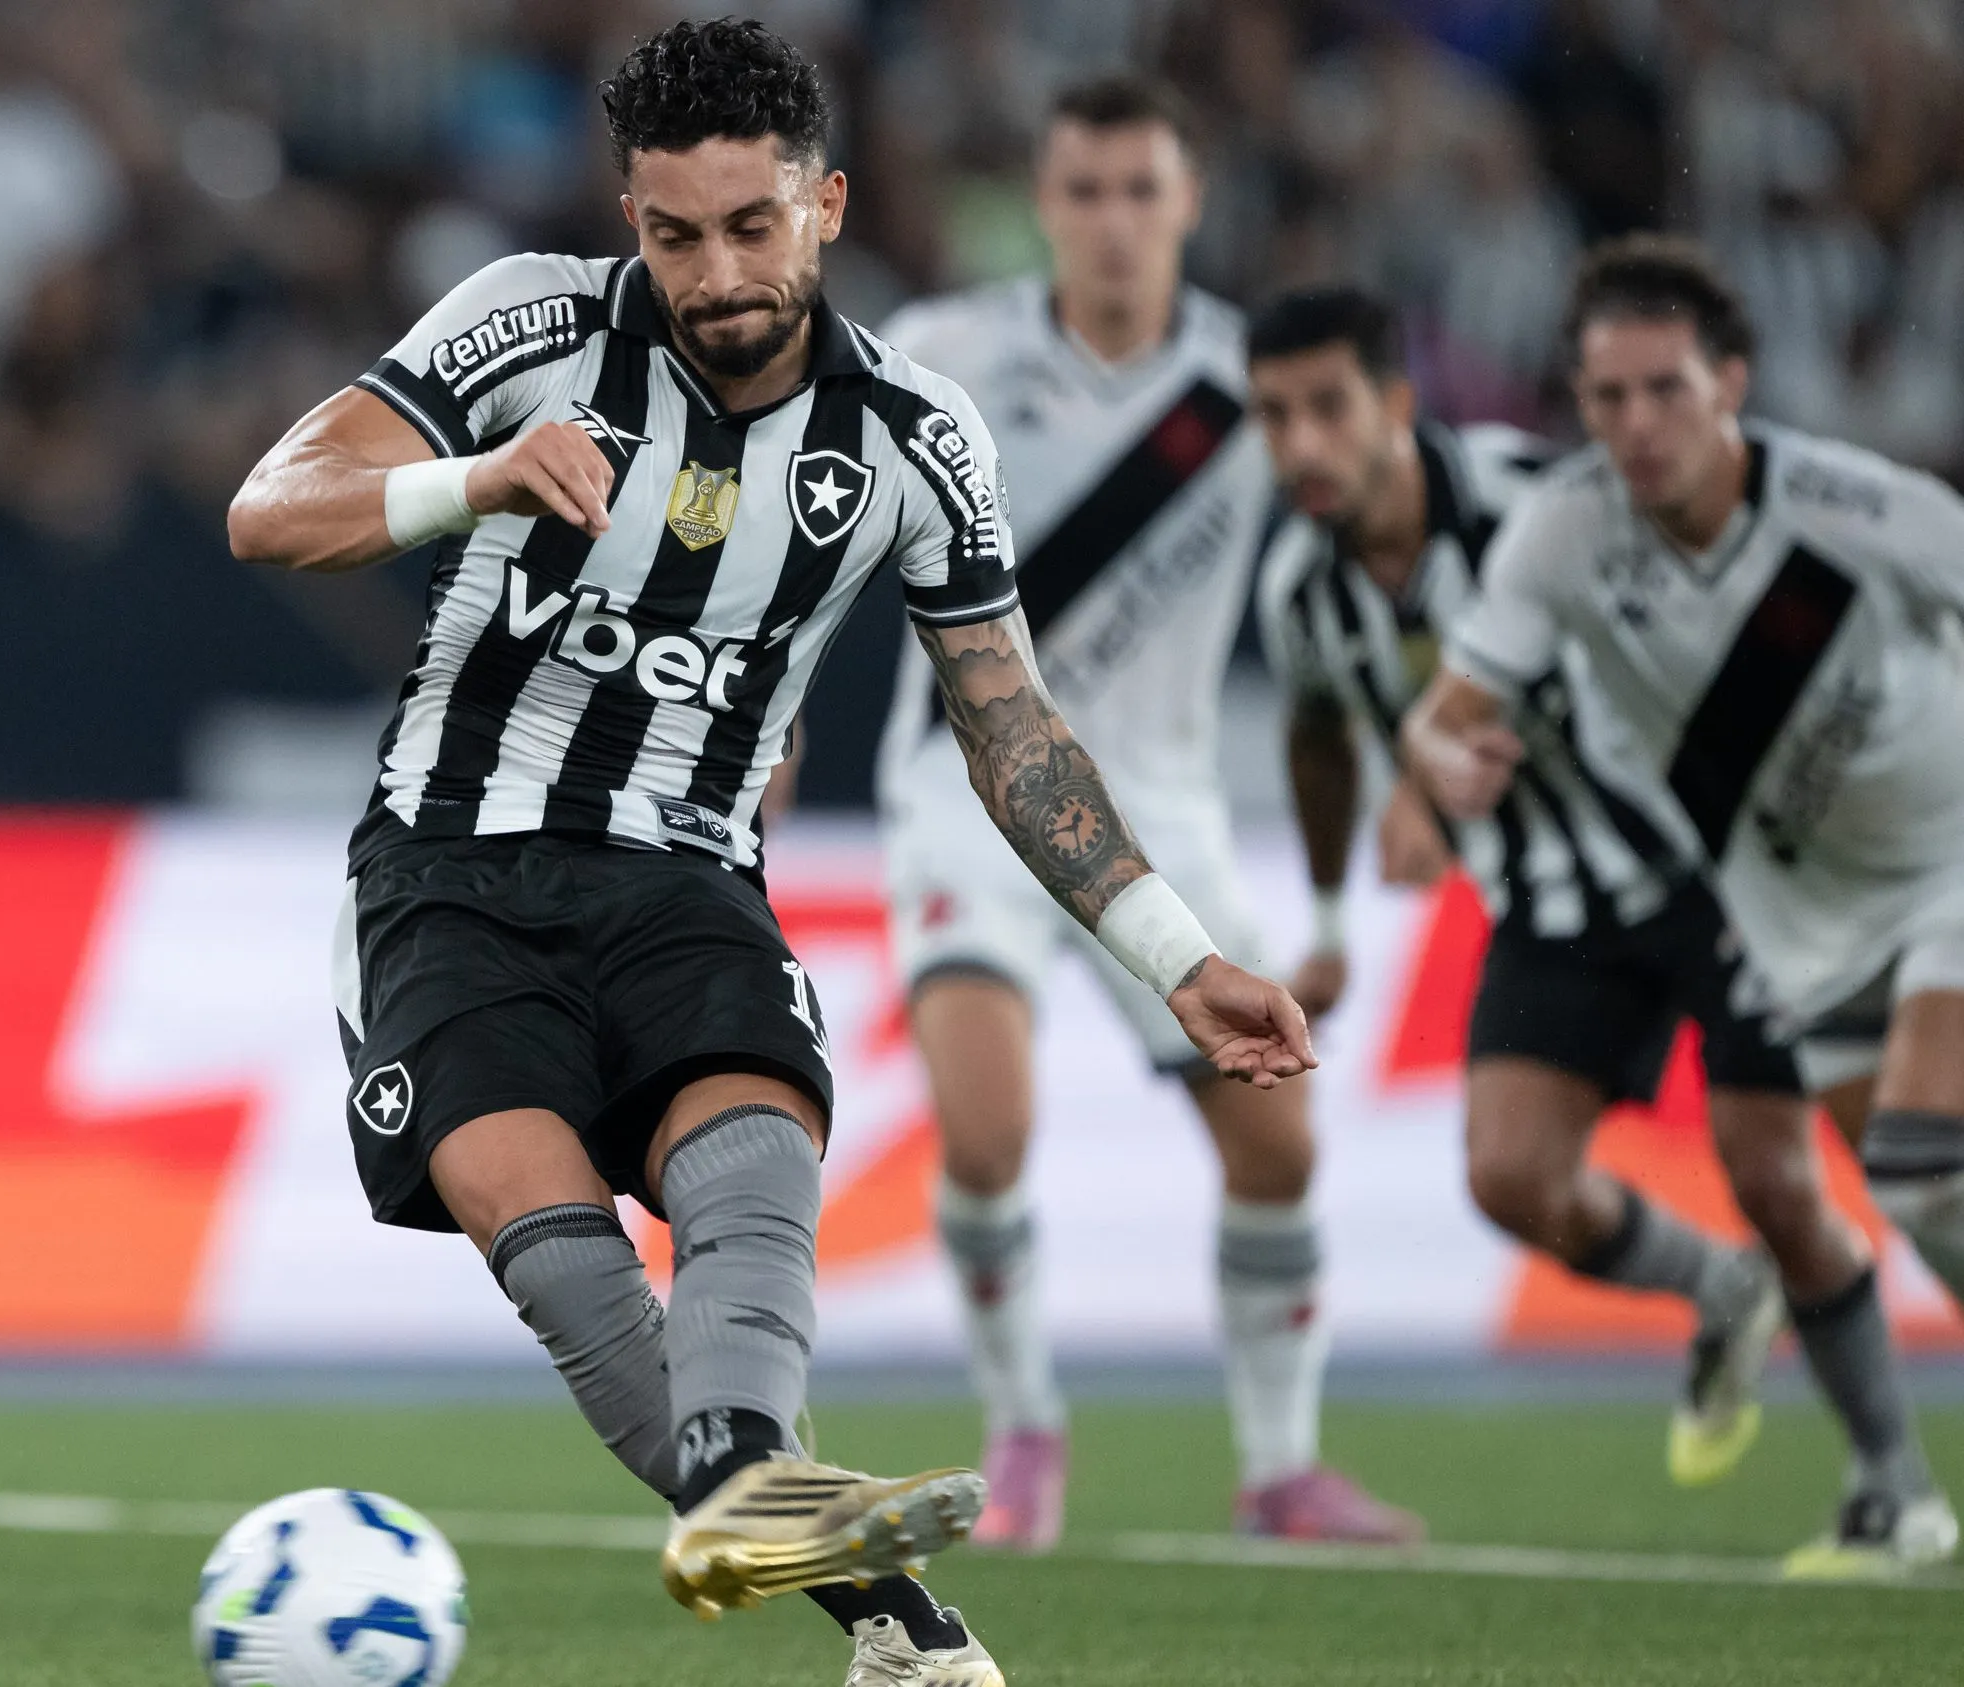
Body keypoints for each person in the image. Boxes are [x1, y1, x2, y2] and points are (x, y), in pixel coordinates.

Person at [228, 21, 1316, 1684]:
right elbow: (274, 504)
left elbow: (1011, 732)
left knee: (746, 1181)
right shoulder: (529, 323)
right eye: (673, 235)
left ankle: (793, 1534)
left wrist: (1178, 957)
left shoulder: (914, 438)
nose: (714, 270)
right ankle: (895, 1624)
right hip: (450, 876)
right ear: (630, 218)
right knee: (577, 1275)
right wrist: (475, 479)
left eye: (752, 227)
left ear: (827, 206)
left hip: (685, 881)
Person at [1248, 281, 1922, 1506]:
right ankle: (1720, 1288)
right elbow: (1315, 736)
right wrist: (1336, 917)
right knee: (1510, 1176)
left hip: (1716, 878)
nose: (1301, 445)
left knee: (1776, 1176)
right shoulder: (1300, 590)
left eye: (1327, 408)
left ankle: (1894, 1486)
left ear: (1397, 404)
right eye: (1273, 417)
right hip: (1552, 905)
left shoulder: (1539, 505)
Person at [871, 76, 1416, 1549]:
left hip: (1163, 802)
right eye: (1085, 191)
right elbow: (820, 538)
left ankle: (1280, 1466)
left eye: (1141, 191)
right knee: (987, 1130)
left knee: (1282, 1152)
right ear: (1044, 205)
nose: (1113, 222)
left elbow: (1365, 552)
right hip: (964, 787)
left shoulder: (1258, 386)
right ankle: (1026, 1422)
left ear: (1187, 203)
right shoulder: (942, 356)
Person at [1406, 235, 1964, 1576]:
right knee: (1929, 1206)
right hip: (1798, 918)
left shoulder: (1855, 503)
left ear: (1733, 383)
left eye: (1666, 390)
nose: (1637, 425)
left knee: (1916, 1150)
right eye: (1608, 398)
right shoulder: (1568, 532)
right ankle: (1908, 1503)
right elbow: (1449, 712)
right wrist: (1446, 757)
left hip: (1948, 857)